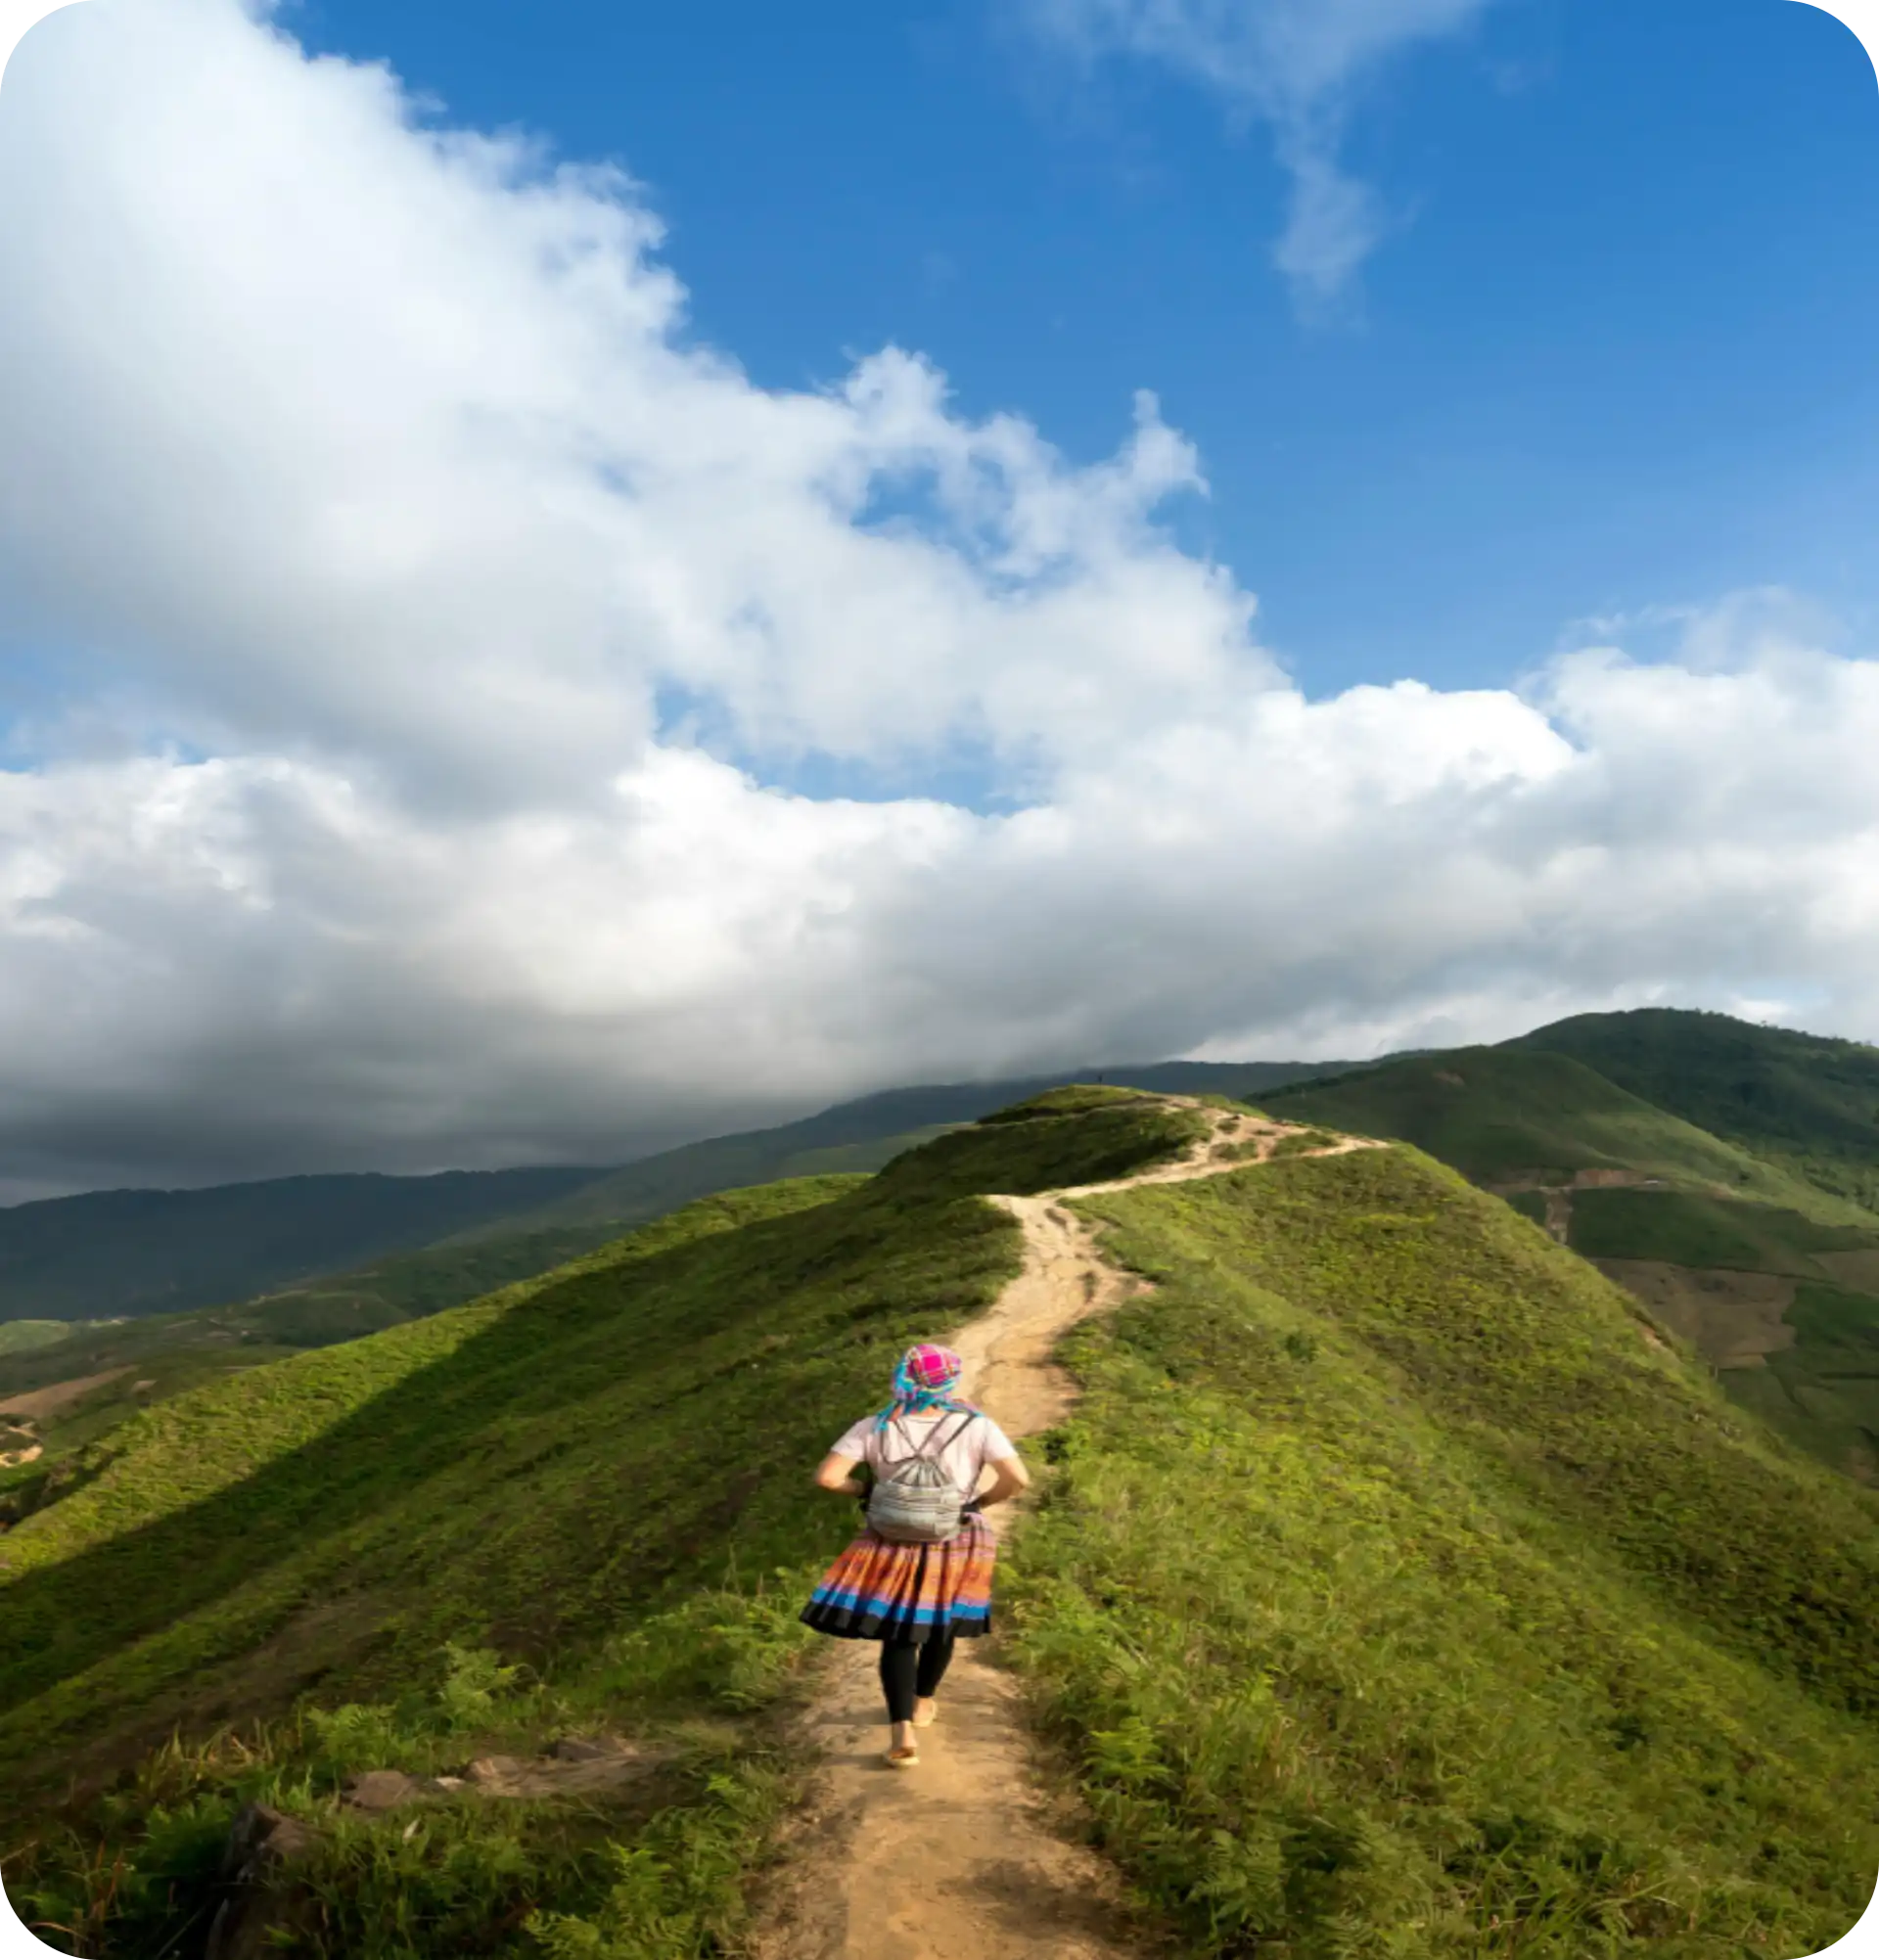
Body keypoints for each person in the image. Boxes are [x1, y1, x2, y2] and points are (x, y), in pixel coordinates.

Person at [802, 1342, 1031, 1767]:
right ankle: (924, 1701)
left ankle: (901, 1731)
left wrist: (868, 1490)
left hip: (892, 1537)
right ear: (949, 1380)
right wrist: (979, 1504)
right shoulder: (977, 1426)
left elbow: (828, 1478)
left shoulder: (875, 1425)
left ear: (902, 1378)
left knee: (899, 1633)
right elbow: (1018, 1478)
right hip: (956, 1536)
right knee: (940, 1623)